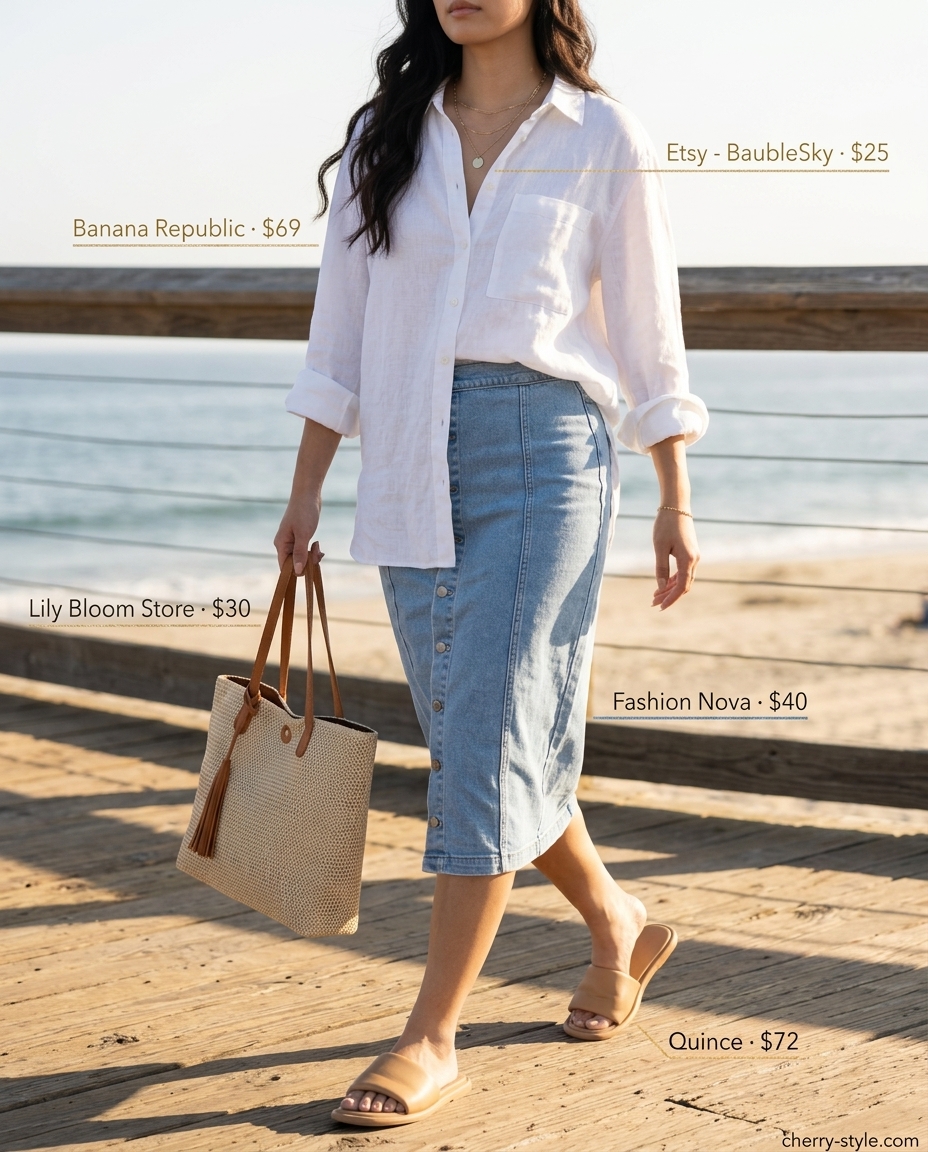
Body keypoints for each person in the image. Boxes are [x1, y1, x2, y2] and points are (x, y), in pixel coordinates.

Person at [275, 0, 707, 1128]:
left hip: (545, 450)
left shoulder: (598, 135)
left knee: (483, 732)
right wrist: (305, 487)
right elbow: (343, 327)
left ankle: (430, 1034)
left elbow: (648, 326)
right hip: (407, 458)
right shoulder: (387, 130)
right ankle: (614, 920)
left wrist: (672, 491)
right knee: (482, 728)